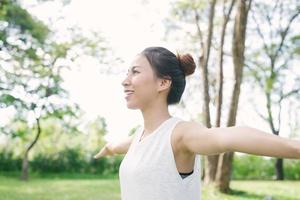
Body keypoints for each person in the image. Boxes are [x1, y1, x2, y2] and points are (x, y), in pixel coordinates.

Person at [93, 46, 300, 200]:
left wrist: (295, 147)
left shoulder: (179, 134)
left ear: (163, 83)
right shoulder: (140, 136)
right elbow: (117, 146)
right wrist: (107, 149)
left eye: (135, 72)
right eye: (127, 72)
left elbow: (231, 136)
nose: (125, 80)